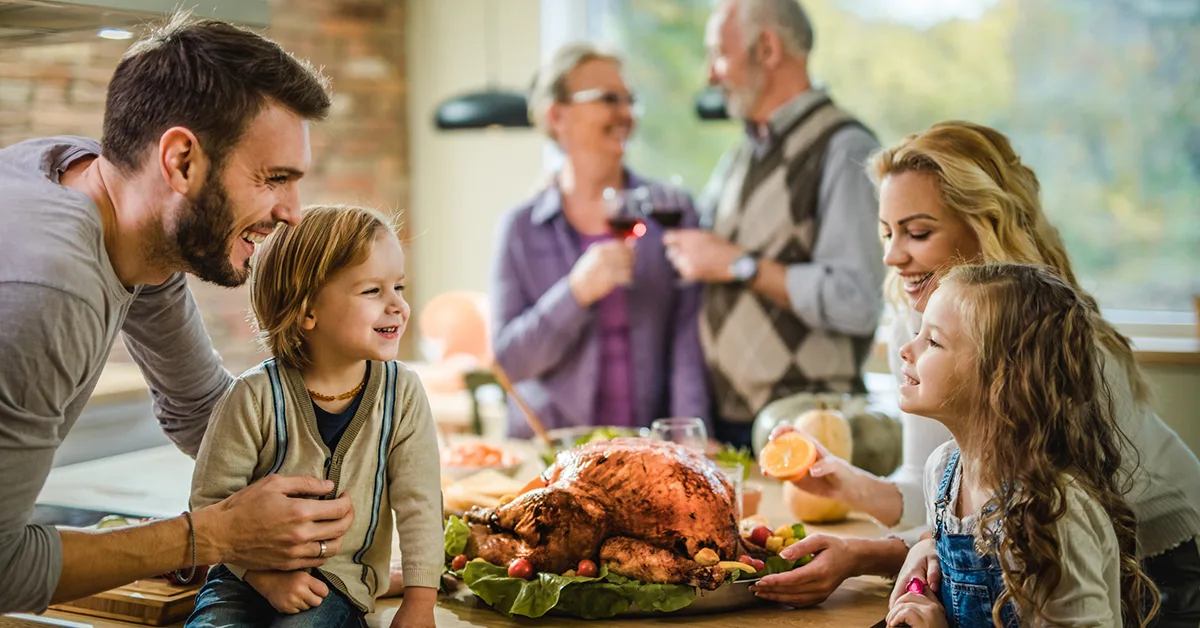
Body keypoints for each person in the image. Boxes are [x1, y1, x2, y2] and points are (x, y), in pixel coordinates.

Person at [754, 122, 1200, 623]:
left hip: (1160, 571)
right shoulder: (925, 320)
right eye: (886, 232)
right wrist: (852, 500)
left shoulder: (1046, 346)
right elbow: (951, 505)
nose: (892, 255)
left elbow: (1035, 526)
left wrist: (884, 554)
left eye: (917, 232)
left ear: (984, 225)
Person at [0, 14, 355, 614]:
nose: (293, 212)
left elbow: (201, 411)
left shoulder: (101, 191)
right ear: (181, 160)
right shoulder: (49, 290)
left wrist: (355, 460)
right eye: (273, 179)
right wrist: (217, 534)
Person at [186, 206, 440, 628]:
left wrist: (419, 604)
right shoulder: (252, 396)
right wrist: (264, 577)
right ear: (307, 311)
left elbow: (421, 506)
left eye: (399, 286)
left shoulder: (403, 394)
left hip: (337, 584)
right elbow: (209, 507)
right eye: (372, 291)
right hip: (239, 578)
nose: (398, 305)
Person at [884, 262, 1158, 627]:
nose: (907, 348)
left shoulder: (1053, 514)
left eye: (933, 341)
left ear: (1001, 380)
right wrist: (926, 546)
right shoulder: (944, 472)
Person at [665, 0, 885, 447]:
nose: (710, 74)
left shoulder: (844, 148)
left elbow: (858, 302)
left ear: (766, 48)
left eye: (718, 54)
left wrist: (741, 265)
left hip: (810, 434)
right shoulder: (739, 158)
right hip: (730, 430)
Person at [491, 42, 709, 437]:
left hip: (646, 455)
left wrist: (688, 436)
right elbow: (508, 363)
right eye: (609, 99)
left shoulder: (670, 212)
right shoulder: (520, 228)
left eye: (630, 100)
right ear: (557, 116)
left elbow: (687, 341)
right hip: (553, 457)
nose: (626, 113)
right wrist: (575, 292)